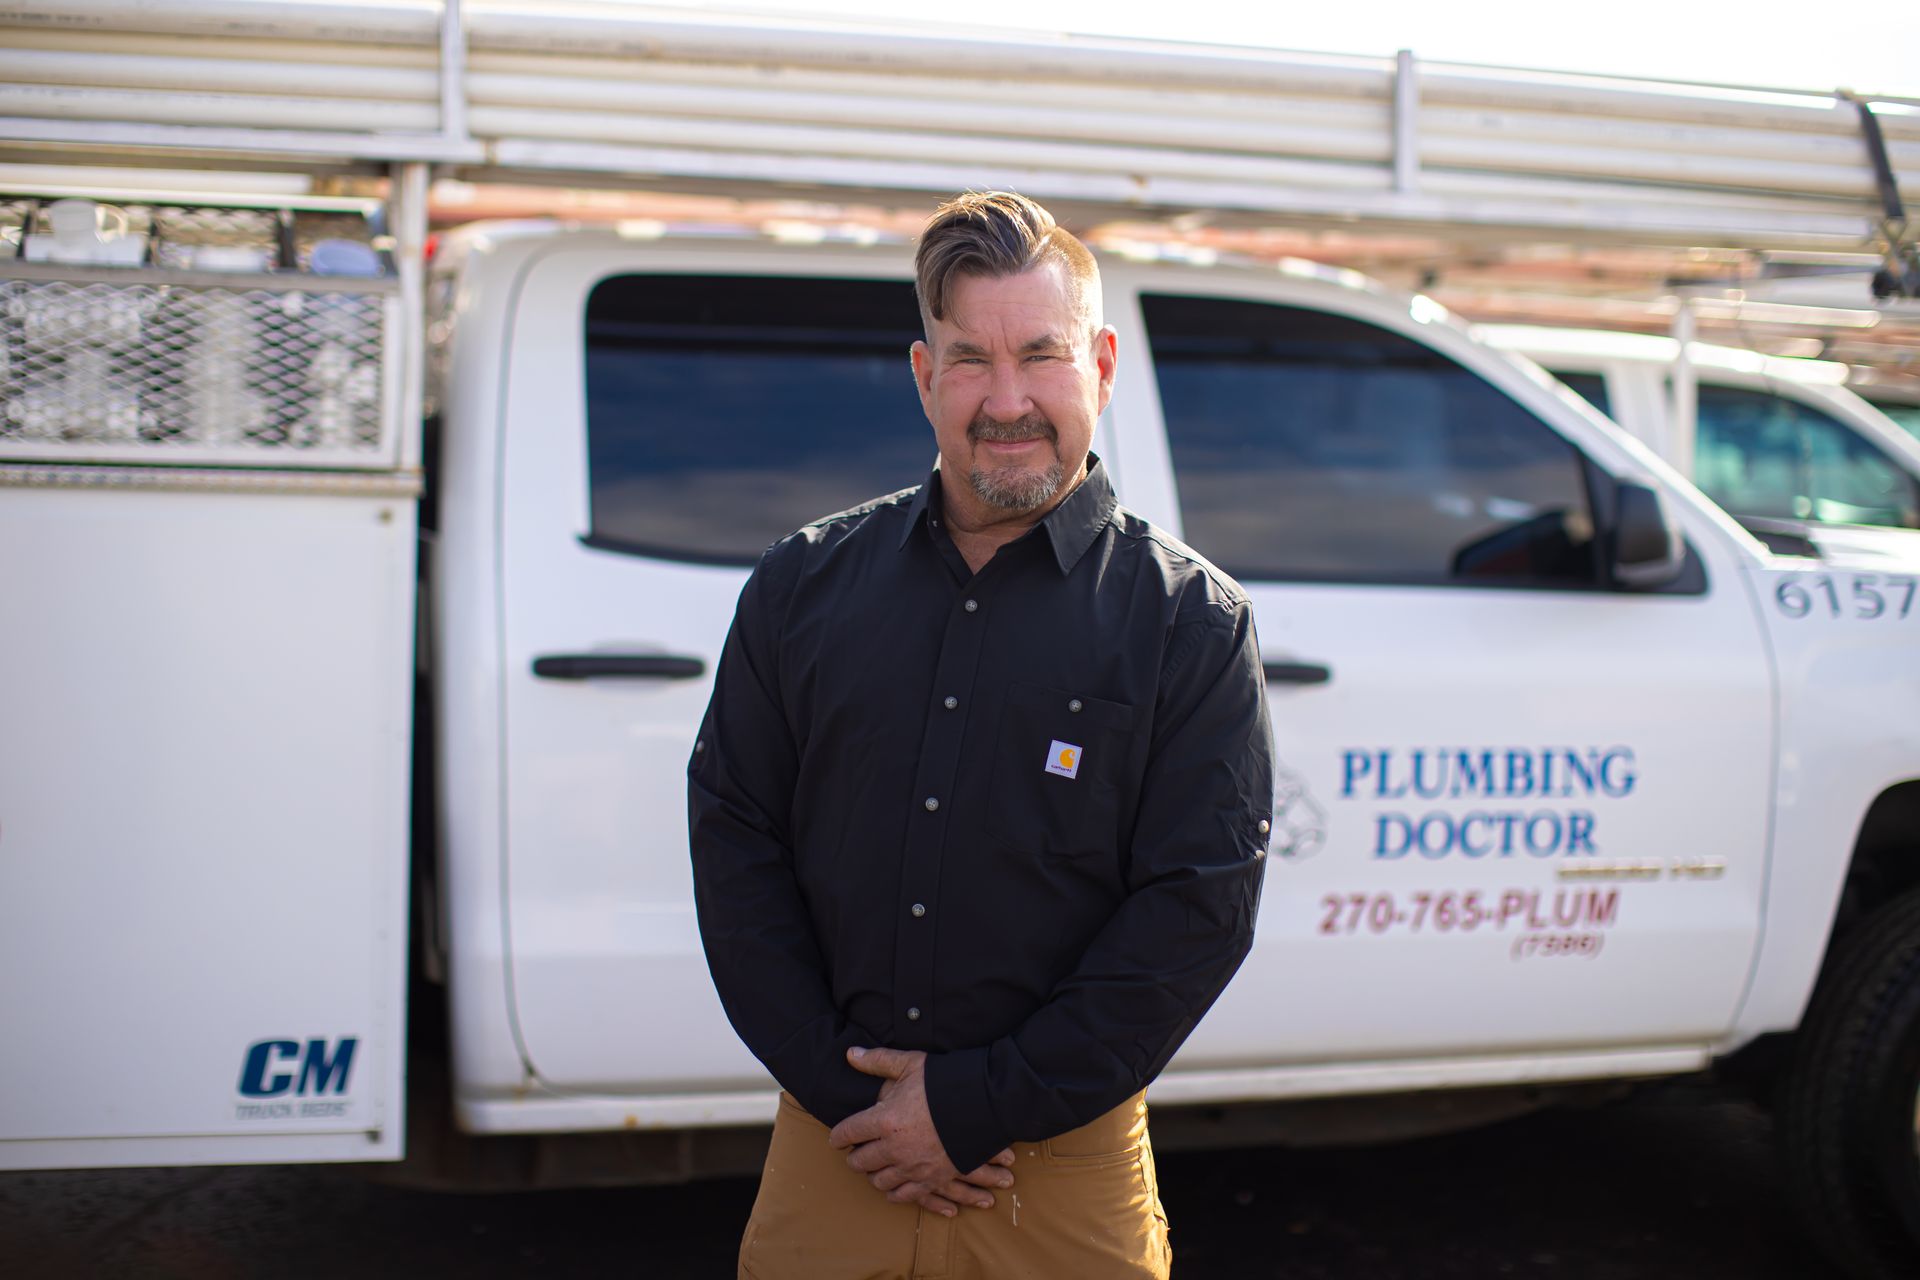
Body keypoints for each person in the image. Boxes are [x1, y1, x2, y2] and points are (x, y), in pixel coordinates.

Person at [688, 189, 1274, 1279]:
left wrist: (968, 1106)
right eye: (971, 360)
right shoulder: (799, 588)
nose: (1008, 400)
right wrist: (860, 1101)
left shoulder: (1189, 624)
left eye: (1041, 355)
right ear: (924, 376)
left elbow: (1194, 912)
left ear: (1100, 364)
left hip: (1060, 1174)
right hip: (838, 1149)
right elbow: (736, 846)